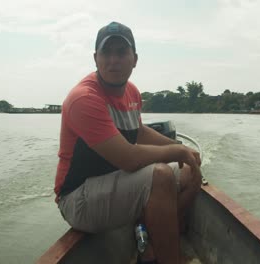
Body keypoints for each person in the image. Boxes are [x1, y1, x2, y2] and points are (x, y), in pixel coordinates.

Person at [54, 21, 202, 264]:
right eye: (106, 52)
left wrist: (184, 152)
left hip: (116, 181)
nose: (113, 60)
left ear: (134, 59)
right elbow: (129, 159)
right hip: (78, 198)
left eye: (121, 52)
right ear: (95, 58)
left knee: (191, 172)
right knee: (161, 176)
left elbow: (139, 132)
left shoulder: (131, 92)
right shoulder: (83, 99)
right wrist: (175, 150)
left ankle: (152, 244)